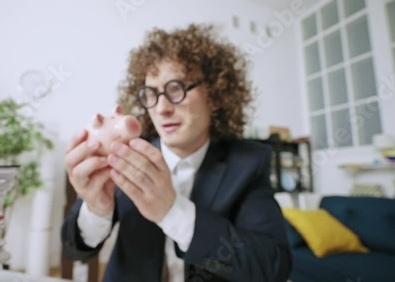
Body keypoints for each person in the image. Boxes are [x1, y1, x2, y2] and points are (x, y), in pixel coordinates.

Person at [61, 23, 291, 282]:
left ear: (216, 96)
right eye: (150, 94)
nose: (161, 108)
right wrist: (96, 209)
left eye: (176, 89)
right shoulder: (126, 154)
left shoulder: (249, 163)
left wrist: (171, 211)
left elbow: (271, 267)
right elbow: (74, 248)